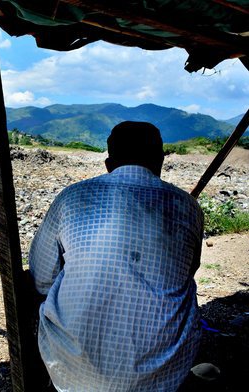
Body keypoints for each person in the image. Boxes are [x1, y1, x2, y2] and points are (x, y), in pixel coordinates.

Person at [29, 121, 203, 391]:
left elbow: (41, 278)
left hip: (74, 367)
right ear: (160, 161)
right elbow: (189, 271)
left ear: (109, 164)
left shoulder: (72, 197)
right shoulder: (187, 206)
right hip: (163, 372)